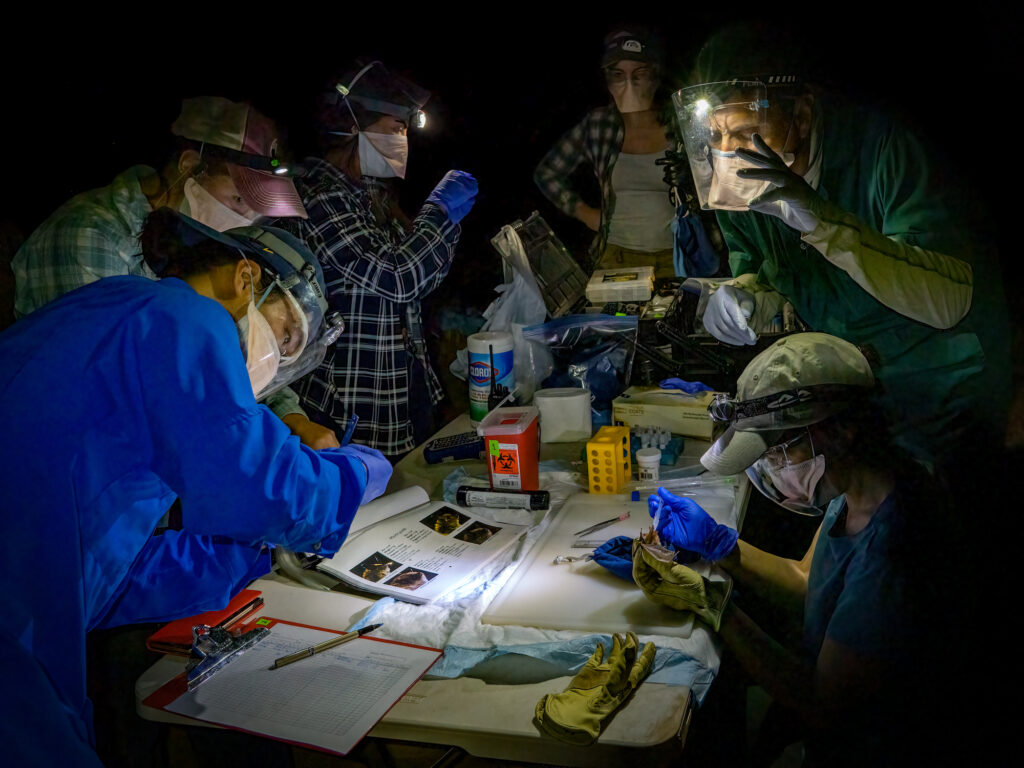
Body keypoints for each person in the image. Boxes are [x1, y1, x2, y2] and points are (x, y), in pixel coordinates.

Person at [0, 208, 392, 765]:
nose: (276, 359)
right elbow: (264, 487)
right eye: (285, 335)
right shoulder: (185, 316)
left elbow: (109, 565)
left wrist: (243, 557)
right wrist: (360, 473)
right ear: (246, 278)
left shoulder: (112, 306)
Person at [671, 25, 1011, 472]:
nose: (729, 152)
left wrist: (822, 221)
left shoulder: (883, 148)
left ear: (803, 114)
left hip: (941, 385)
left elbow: (947, 301)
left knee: (943, 514)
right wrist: (743, 296)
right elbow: (765, 269)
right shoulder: (742, 183)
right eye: (716, 133)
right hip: (852, 388)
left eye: (746, 129)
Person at [638, 332, 961, 766]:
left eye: (778, 451)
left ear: (841, 431)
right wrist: (719, 545)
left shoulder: (897, 546)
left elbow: (825, 704)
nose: (772, 467)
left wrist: (716, 608)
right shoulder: (856, 489)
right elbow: (810, 583)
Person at [11, 95, 339, 451]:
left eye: (257, 211)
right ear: (188, 166)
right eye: (240, 201)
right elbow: (112, 394)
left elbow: (237, 351)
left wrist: (291, 417)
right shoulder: (92, 236)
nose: (246, 221)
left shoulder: (195, 251)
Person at [288, 61, 478, 457]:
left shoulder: (369, 193)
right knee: (372, 505)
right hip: (354, 397)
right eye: (396, 127)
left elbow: (422, 277)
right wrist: (438, 214)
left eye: (406, 129)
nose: (403, 138)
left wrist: (445, 223)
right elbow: (398, 275)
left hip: (401, 382)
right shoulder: (320, 197)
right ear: (354, 126)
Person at [534, 27, 717, 279]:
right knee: (618, 318)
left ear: (655, 74)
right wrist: (586, 214)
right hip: (615, 258)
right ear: (607, 79)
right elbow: (548, 173)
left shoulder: (680, 122)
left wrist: (691, 181)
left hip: (676, 255)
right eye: (618, 75)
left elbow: (719, 180)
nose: (629, 84)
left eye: (639, 73)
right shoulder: (598, 125)